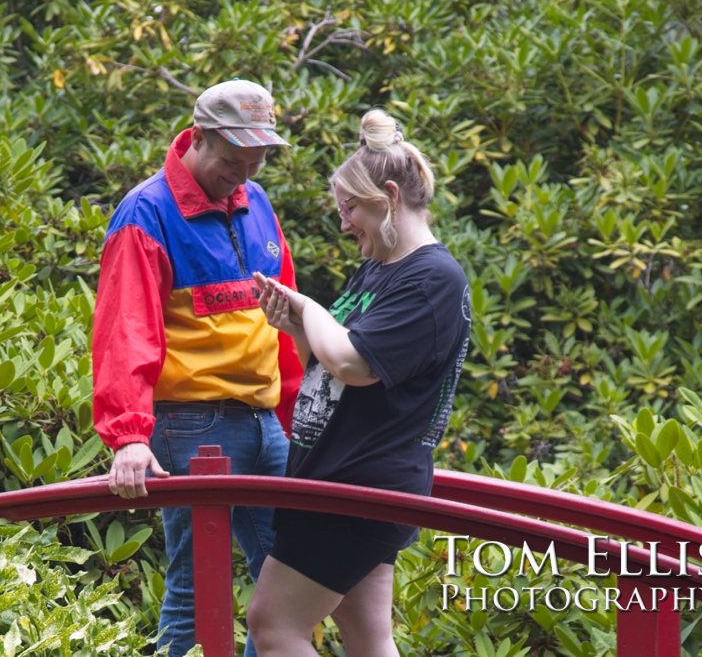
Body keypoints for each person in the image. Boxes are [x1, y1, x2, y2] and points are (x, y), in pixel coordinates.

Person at [246, 109, 471, 656]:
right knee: (370, 639)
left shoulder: (430, 279)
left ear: (388, 196)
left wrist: (310, 306)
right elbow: (330, 373)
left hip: (360, 485)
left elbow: (354, 364)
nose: (344, 222)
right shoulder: (380, 266)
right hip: (339, 477)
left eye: (349, 206)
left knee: (273, 626)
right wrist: (295, 324)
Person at [91, 79, 303, 657]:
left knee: (296, 580)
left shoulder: (256, 202)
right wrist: (129, 437)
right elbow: (124, 329)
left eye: (255, 164)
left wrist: (295, 411)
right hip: (192, 424)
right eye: (234, 161)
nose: (243, 175)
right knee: (193, 587)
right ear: (200, 137)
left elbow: (283, 318)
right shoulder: (147, 210)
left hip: (264, 421)